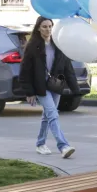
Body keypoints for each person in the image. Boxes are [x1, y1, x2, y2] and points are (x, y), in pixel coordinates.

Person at [19, 16, 78, 158]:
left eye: (50, 26)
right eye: (44, 26)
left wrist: (75, 89)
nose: (48, 29)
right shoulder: (33, 46)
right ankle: (63, 146)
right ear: (38, 28)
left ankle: (40, 144)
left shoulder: (58, 44)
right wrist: (29, 92)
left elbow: (67, 67)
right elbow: (25, 71)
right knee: (52, 114)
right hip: (41, 87)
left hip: (55, 85)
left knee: (47, 116)